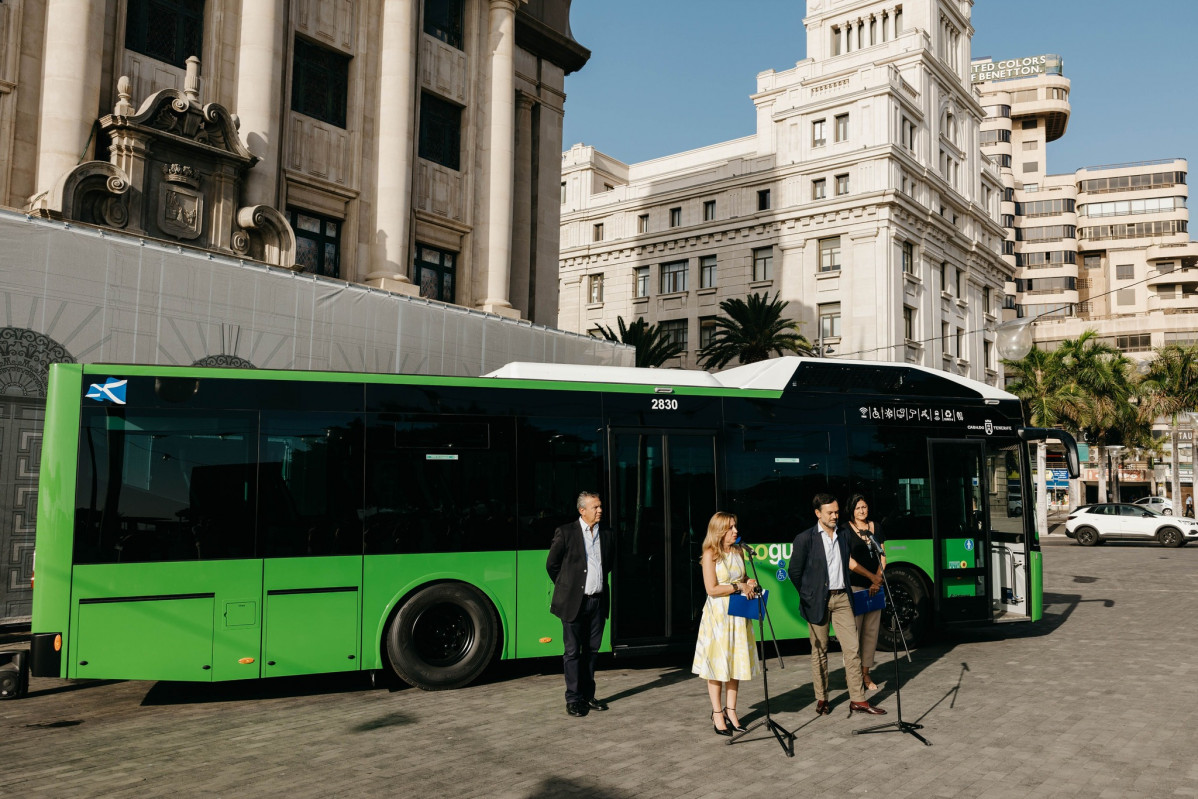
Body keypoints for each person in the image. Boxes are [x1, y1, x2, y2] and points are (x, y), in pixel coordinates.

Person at [787, 493, 886, 717]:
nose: (835, 516)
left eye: (837, 512)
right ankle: (822, 698)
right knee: (820, 651)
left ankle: (858, 700)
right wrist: (809, 595)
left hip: (842, 598)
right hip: (818, 600)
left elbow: (849, 562)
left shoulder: (843, 534)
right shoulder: (805, 538)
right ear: (817, 513)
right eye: (830, 512)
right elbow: (795, 572)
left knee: (852, 650)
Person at [692, 512, 760, 736]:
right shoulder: (710, 553)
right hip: (718, 617)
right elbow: (711, 589)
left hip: (737, 614)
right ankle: (717, 713)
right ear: (719, 530)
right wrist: (738, 587)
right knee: (717, 666)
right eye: (730, 528)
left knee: (735, 665)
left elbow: (742, 579)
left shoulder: (739, 551)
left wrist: (748, 582)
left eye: (735, 527)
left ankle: (732, 711)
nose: (735, 531)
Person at [546, 491, 614, 718]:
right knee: (573, 651)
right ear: (582, 510)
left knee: (592, 652)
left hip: (597, 601)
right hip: (574, 603)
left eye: (600, 506)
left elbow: (609, 563)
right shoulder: (566, 532)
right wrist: (569, 588)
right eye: (595, 507)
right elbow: (552, 565)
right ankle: (573, 699)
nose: (600, 510)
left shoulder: (606, 533)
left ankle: (587, 695)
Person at [844, 493, 885, 692]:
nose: (862, 511)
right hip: (856, 587)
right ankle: (853, 676)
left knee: (871, 633)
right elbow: (849, 562)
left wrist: (878, 579)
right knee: (855, 633)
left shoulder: (876, 527)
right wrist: (871, 577)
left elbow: (882, 555)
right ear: (852, 510)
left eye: (865, 507)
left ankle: (866, 674)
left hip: (875, 588)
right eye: (858, 507)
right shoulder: (845, 530)